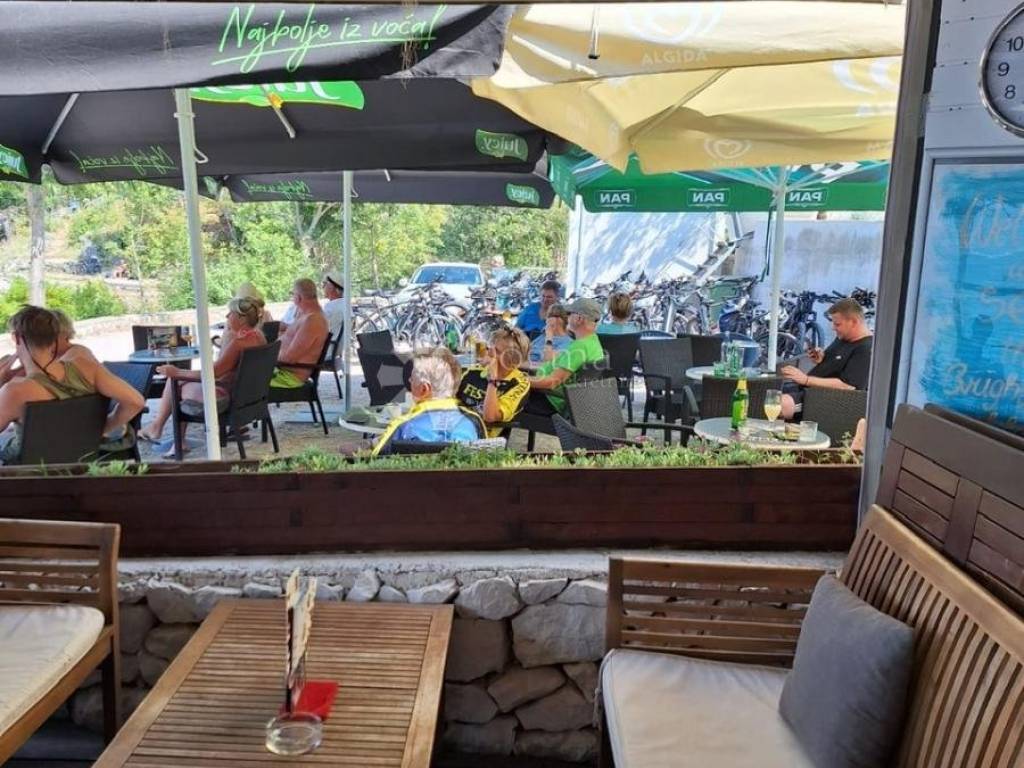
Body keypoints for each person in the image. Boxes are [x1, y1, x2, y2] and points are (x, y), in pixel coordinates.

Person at [0, 306, 144, 463]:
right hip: (82, 465)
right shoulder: (86, 367)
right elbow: (136, 401)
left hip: (28, 471)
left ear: (17, 338)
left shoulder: (14, 391)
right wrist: (101, 429)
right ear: (55, 336)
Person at [139, 297, 266, 455]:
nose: (227, 316)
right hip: (246, 397)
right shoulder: (258, 337)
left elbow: (213, 373)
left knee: (174, 381)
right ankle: (163, 431)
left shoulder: (239, 343)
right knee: (179, 380)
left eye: (230, 313)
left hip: (224, 396)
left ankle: (162, 430)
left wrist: (177, 372)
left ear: (241, 318)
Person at [373, 347, 485, 455]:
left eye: (412, 378)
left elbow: (375, 461)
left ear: (424, 389)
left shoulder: (402, 426)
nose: (409, 380)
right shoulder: (474, 422)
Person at [779, 297, 874, 420]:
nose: (833, 328)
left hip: (824, 400)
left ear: (854, 322)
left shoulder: (865, 348)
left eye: (837, 324)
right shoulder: (844, 337)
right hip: (807, 390)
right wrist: (820, 358)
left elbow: (848, 386)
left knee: (777, 404)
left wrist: (806, 380)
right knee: (765, 394)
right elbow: (834, 362)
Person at [524, 297, 606, 416]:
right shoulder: (593, 341)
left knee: (503, 396)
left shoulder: (579, 348)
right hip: (563, 399)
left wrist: (520, 381)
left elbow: (552, 382)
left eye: (569, 314)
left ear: (579, 319)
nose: (567, 318)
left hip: (550, 400)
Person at [457, 326, 531, 437]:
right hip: (454, 425)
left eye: (497, 351)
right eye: (491, 348)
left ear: (512, 360)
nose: (490, 352)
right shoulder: (476, 370)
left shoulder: (519, 384)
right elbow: (450, 397)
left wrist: (493, 379)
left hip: (479, 436)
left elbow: (490, 416)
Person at [272, 279, 329, 389]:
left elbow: (289, 358)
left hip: (288, 378)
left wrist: (266, 356)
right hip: (281, 370)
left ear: (298, 297)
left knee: (242, 380)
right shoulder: (306, 315)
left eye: (292, 294)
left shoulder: (313, 320)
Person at [321, 271, 345, 339]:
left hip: (329, 344)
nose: (322, 287)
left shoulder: (330, 308)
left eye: (324, 284)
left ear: (331, 287)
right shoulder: (346, 305)